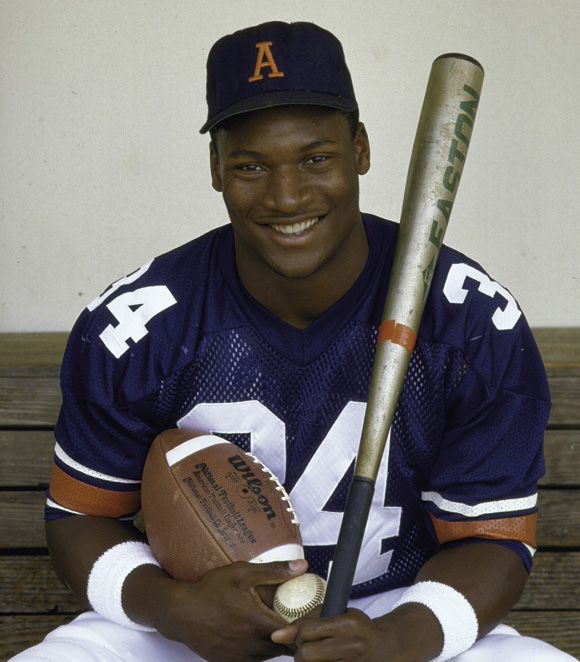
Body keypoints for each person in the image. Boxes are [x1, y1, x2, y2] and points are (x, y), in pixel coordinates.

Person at [10, 20, 576, 662]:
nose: (288, 196)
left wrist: (398, 640)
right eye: (252, 165)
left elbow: (493, 541)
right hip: (198, 619)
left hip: (397, 607)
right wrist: (173, 608)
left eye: (316, 158)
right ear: (217, 168)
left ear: (360, 150)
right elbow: (79, 518)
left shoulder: (468, 319)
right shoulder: (141, 326)